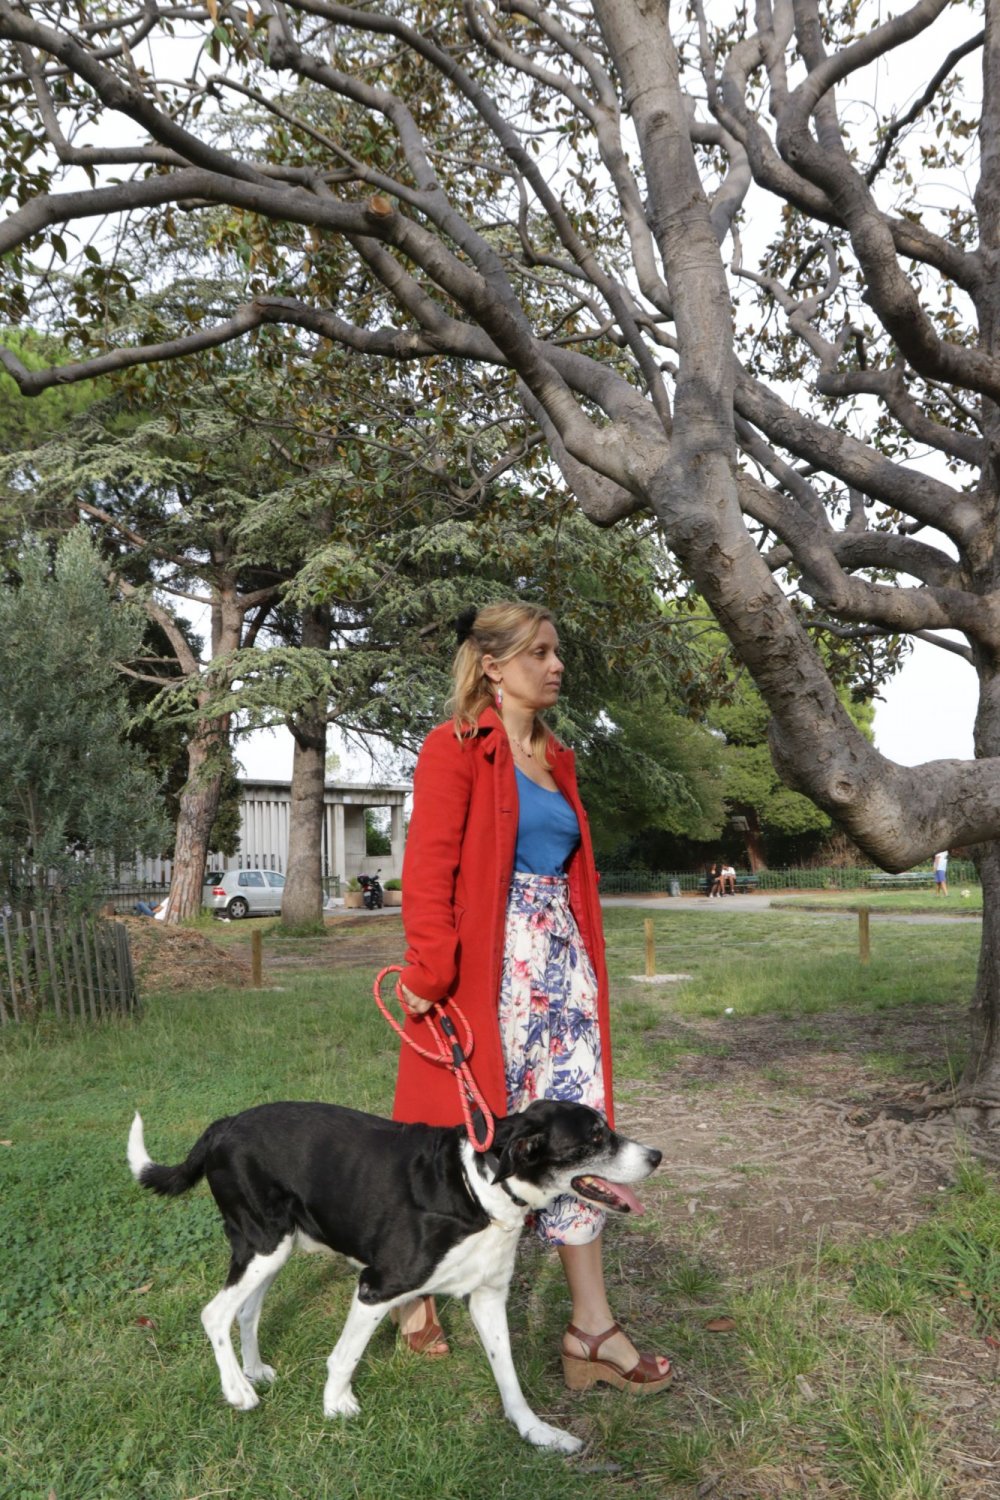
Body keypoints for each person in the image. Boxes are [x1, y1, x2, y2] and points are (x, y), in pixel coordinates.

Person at [392, 601, 672, 1392]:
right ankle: (415, 1282)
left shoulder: (557, 757)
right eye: (539, 653)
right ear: (492, 666)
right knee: (469, 1135)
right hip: (490, 974)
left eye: (557, 652)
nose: (556, 665)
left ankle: (591, 1327)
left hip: (564, 978)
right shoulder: (453, 748)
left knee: (581, 1135)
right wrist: (427, 973)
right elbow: (429, 869)